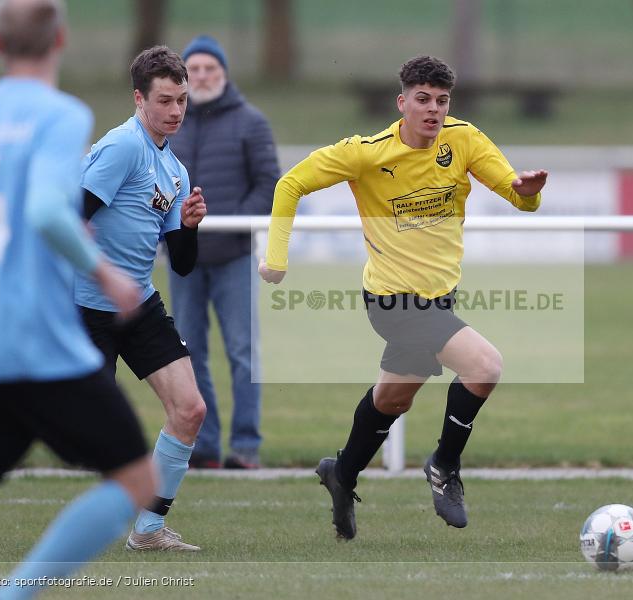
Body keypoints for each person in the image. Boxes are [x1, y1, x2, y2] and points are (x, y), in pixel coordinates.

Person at [259, 55, 548, 539]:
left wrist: (530, 192)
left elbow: (519, 196)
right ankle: (444, 465)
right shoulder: (367, 153)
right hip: (391, 300)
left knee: (393, 398)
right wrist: (277, 258)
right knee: (484, 366)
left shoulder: (465, 140)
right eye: (423, 100)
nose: (433, 110)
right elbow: (291, 184)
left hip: (439, 299)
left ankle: (343, 473)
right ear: (402, 103)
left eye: (441, 101)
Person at [0, 0, 155, 597]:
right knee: (136, 479)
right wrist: (102, 270)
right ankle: (14, 594)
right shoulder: (59, 114)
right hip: (37, 338)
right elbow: (48, 211)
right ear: (61, 40)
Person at [76, 45, 207, 551]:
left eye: (182, 101)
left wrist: (191, 226)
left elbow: (183, 262)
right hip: (86, 306)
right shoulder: (123, 147)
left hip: (139, 304)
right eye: (166, 100)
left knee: (190, 410)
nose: (176, 111)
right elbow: (72, 214)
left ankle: (149, 530)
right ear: (139, 98)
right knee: (88, 434)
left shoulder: (174, 169)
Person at [169, 35, 280, 470]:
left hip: (233, 255)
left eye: (208, 69)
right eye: (192, 70)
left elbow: (270, 184)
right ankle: (205, 445)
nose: (200, 76)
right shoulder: (170, 124)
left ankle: (246, 446)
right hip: (185, 257)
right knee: (189, 351)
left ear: (224, 74)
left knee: (241, 351)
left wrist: (230, 222)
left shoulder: (251, 122)